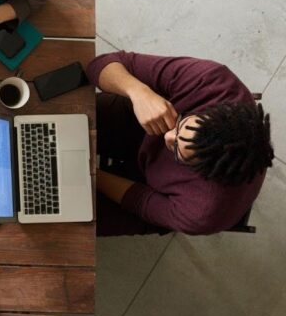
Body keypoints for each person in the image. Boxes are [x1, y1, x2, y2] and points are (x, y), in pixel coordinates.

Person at [88, 51, 273, 235]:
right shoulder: (211, 81)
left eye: (175, 148)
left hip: (151, 188)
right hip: (136, 120)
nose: (167, 136)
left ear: (198, 171)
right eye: (182, 123)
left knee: (74, 215)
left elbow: (140, 200)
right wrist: (139, 93)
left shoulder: (203, 212)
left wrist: (90, 174)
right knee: (70, 110)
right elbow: (101, 64)